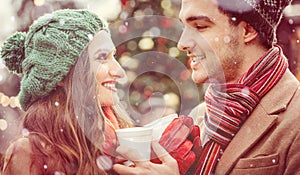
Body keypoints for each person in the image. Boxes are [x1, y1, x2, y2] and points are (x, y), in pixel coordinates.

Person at [113, 0, 300, 175]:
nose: (182, 43)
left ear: (247, 30)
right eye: (184, 27)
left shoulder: (295, 118)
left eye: (200, 27)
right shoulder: (201, 115)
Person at [0, 9, 134, 174]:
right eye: (102, 58)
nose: (119, 71)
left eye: (114, 56)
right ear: (63, 76)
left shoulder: (121, 142)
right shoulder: (31, 153)